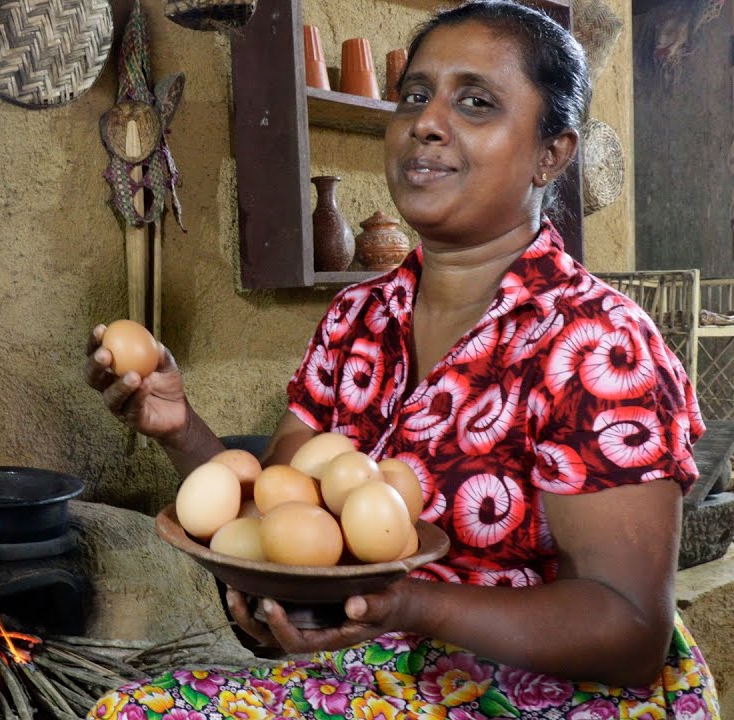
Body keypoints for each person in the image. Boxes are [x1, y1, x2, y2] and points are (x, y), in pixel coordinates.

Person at [81, 1, 721, 717]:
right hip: (387, 678)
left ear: (553, 154)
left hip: (551, 697)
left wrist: (410, 605)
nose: (427, 121)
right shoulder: (359, 319)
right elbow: (285, 521)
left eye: (476, 102)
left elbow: (629, 631)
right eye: (415, 96)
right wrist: (179, 427)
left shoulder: (597, 342)